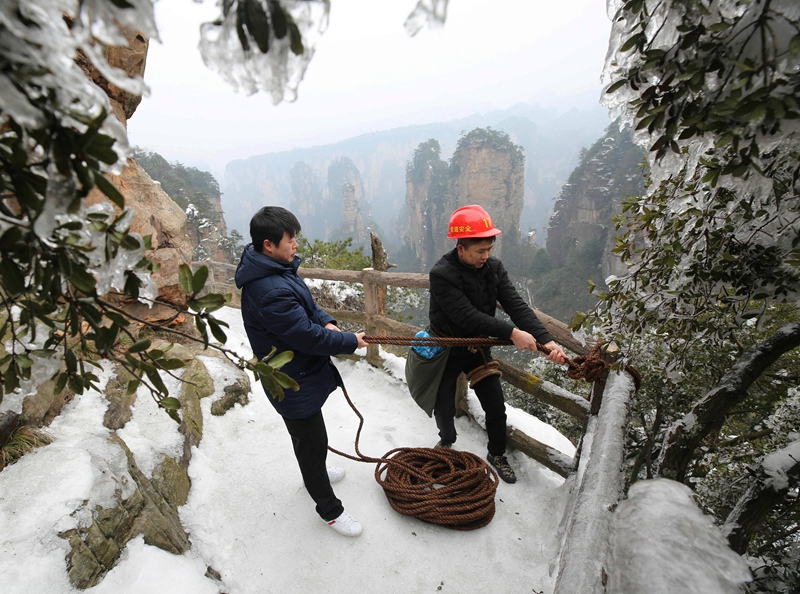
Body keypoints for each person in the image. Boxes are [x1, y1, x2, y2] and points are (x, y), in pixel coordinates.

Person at [235, 206, 368, 537]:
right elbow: (306, 337)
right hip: (290, 380)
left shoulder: (275, 269)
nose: (295, 243)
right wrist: (350, 341)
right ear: (269, 244)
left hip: (301, 373)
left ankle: (317, 471)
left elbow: (307, 307)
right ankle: (330, 510)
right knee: (310, 443)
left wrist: (328, 321)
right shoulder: (268, 290)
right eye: (290, 238)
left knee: (311, 437)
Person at [428, 204, 567, 484]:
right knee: (442, 403)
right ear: (461, 247)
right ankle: (446, 440)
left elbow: (516, 304)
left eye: (489, 249)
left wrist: (545, 340)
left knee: (495, 404)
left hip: (477, 348)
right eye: (480, 251)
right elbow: (466, 316)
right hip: (446, 346)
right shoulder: (441, 274)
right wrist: (512, 333)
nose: (486, 256)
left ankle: (497, 453)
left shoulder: (494, 268)